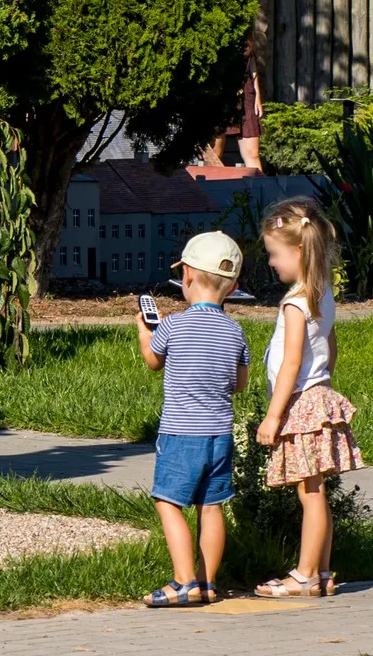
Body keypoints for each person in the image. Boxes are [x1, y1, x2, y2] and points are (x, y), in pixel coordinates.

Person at [253, 196, 363, 598]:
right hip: (319, 396)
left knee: (310, 494)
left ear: (298, 251)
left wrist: (272, 415)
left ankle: (303, 575)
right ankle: (323, 572)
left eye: (274, 254)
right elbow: (330, 347)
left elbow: (291, 361)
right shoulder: (322, 293)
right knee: (316, 493)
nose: (271, 262)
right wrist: (325, 380)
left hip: (301, 402)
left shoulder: (296, 303)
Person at [136, 229, 251, 607]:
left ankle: (183, 581)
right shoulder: (236, 332)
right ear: (232, 288)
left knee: (168, 501)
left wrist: (143, 332)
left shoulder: (173, 325)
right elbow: (239, 384)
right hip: (219, 434)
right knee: (211, 505)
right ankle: (208, 582)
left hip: (181, 433)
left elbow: (153, 362)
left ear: (186, 275)